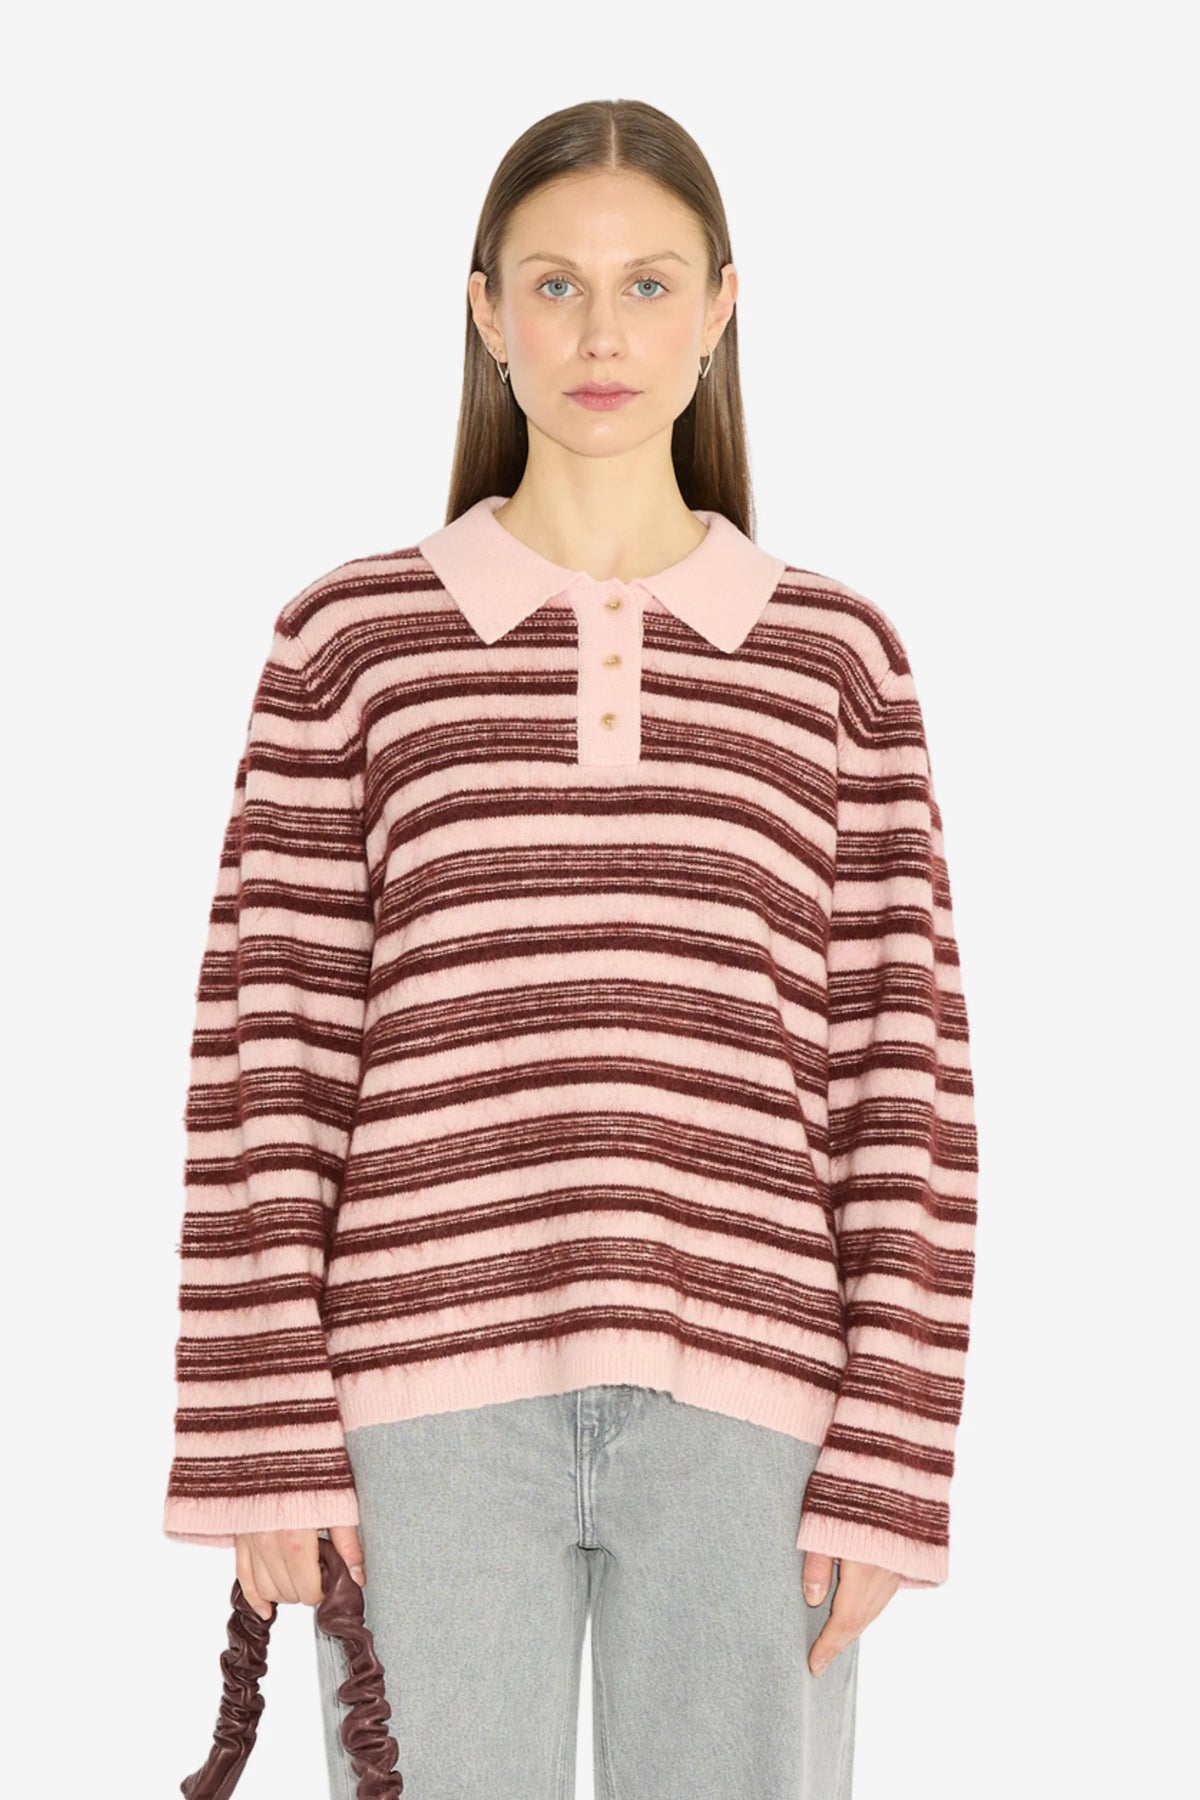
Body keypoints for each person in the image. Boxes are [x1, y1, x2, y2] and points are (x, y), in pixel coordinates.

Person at [163, 97, 978, 1800]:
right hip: (417, 1413)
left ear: (720, 311)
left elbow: (901, 1080)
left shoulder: (837, 662)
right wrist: (263, 1437)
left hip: (759, 1411)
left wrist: (892, 1458)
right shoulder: (350, 645)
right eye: (555, 286)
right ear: (487, 312)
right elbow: (269, 1060)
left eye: (648, 285)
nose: (602, 335)